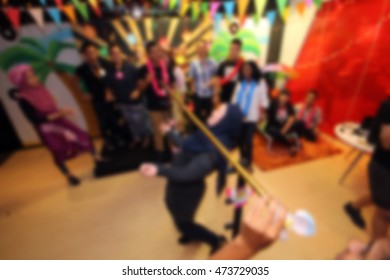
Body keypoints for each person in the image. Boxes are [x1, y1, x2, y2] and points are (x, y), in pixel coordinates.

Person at [139, 90, 243, 254]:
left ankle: (215, 240)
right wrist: (170, 133)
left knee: (182, 220)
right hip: (177, 183)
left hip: (187, 190)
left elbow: (188, 174)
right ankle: (189, 231)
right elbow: (186, 143)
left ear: (226, 122)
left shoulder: (213, 152)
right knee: (173, 207)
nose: (214, 110)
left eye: (219, 111)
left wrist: (159, 169)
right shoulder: (208, 134)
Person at [8, 64, 100, 186]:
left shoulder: (42, 89)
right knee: (58, 150)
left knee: (82, 136)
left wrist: (62, 111)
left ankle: (97, 159)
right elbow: (35, 119)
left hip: (60, 120)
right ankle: (69, 175)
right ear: (23, 82)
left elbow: (52, 108)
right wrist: (59, 114)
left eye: (33, 75)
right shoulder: (23, 99)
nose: (35, 78)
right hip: (46, 129)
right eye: (30, 77)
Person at [345, 97, 390, 239]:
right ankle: (375, 252)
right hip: (384, 167)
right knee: (384, 212)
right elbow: (387, 141)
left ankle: (353, 207)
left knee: (380, 197)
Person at [75, 42, 122, 151]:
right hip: (96, 98)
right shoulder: (82, 68)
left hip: (110, 96)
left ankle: (118, 138)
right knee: (102, 120)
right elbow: (76, 81)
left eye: (93, 51)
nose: (91, 54)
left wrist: (110, 91)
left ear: (97, 52)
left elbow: (113, 79)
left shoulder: (106, 64)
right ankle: (107, 141)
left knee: (113, 118)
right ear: (85, 55)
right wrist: (83, 93)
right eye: (88, 53)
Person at [105, 44, 151, 148]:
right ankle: (136, 138)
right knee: (130, 122)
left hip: (135, 101)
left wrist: (137, 91)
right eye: (113, 53)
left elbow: (140, 82)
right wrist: (109, 93)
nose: (115, 55)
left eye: (117, 53)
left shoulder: (131, 68)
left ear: (121, 54)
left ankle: (146, 137)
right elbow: (108, 85)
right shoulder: (110, 71)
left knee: (140, 121)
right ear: (110, 56)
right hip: (122, 102)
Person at [138, 41, 175, 161]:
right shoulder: (143, 69)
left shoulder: (166, 67)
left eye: (158, 51)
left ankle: (174, 154)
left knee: (170, 130)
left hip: (167, 104)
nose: (156, 54)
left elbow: (173, 86)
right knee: (158, 132)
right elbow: (139, 89)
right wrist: (147, 81)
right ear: (148, 54)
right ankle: (160, 155)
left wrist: (168, 88)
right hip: (153, 106)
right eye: (153, 52)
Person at [232, 61, 269, 165]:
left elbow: (264, 100)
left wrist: (262, 114)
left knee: (248, 141)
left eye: (249, 69)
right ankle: (242, 159)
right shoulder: (240, 82)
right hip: (239, 117)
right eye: (244, 69)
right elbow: (234, 99)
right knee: (239, 140)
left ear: (253, 70)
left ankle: (248, 163)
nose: (246, 71)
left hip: (252, 118)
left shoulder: (260, 83)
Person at [188, 41, 217, 122]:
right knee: (197, 117)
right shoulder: (194, 63)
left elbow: (216, 77)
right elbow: (192, 78)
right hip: (198, 94)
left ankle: (209, 133)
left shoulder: (213, 62)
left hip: (209, 94)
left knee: (210, 117)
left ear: (206, 49)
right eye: (199, 49)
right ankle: (198, 133)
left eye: (203, 49)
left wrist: (215, 92)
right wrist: (193, 93)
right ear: (197, 51)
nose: (201, 51)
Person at [266, 89, 299, 156]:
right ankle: (290, 144)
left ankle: (290, 139)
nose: (284, 98)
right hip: (273, 125)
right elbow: (266, 113)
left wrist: (286, 128)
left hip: (284, 125)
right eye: (283, 96)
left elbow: (293, 117)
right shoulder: (273, 103)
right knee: (274, 131)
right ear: (279, 96)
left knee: (300, 123)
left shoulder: (289, 105)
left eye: (286, 97)